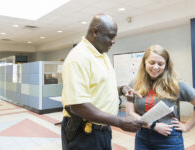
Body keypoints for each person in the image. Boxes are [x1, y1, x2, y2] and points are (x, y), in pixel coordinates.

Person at [61, 14, 146, 150]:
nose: (113, 42)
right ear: (96, 32)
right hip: (83, 134)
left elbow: (100, 87)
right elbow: (78, 106)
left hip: (102, 130)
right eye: (111, 36)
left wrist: (122, 89)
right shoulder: (78, 58)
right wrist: (120, 122)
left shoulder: (102, 55)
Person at [126, 44, 195, 150]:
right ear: (144, 63)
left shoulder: (175, 84)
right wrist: (154, 126)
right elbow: (130, 114)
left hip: (169, 139)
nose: (155, 67)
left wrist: (187, 126)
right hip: (142, 138)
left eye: (160, 64)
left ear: (166, 65)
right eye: (152, 63)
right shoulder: (134, 84)